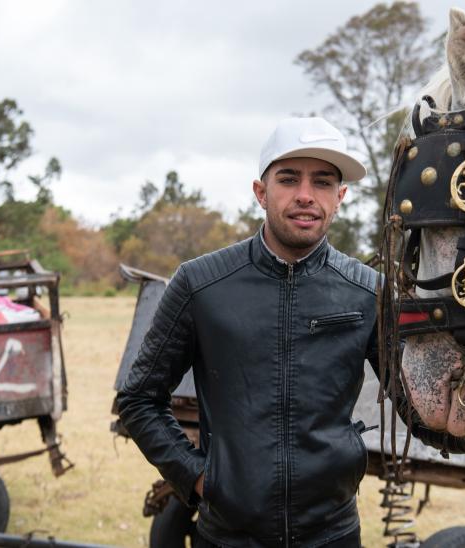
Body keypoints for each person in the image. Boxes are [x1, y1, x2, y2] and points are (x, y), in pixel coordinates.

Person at [117, 117, 377, 547]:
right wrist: (201, 479)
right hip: (227, 536)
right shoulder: (200, 284)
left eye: (324, 182)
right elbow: (138, 398)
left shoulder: (368, 291)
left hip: (334, 535)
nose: (306, 196)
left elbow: (417, 402)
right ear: (261, 191)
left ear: (341, 196)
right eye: (289, 179)